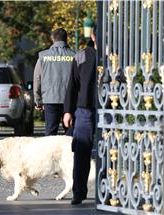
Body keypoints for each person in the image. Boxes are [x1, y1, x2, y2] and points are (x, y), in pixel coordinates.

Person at [63, 28, 97, 205]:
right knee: (81, 152)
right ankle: (79, 191)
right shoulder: (82, 55)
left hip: (109, 109)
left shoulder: (116, 55)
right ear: (93, 36)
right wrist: (68, 110)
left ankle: (108, 191)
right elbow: (73, 85)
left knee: (109, 152)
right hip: (84, 109)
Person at [33, 28, 76, 136]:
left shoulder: (43, 56)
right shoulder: (74, 56)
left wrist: (38, 100)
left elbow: (37, 79)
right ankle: (70, 152)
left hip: (50, 99)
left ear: (53, 39)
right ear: (67, 39)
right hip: (70, 100)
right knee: (70, 133)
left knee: (50, 134)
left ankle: (51, 153)